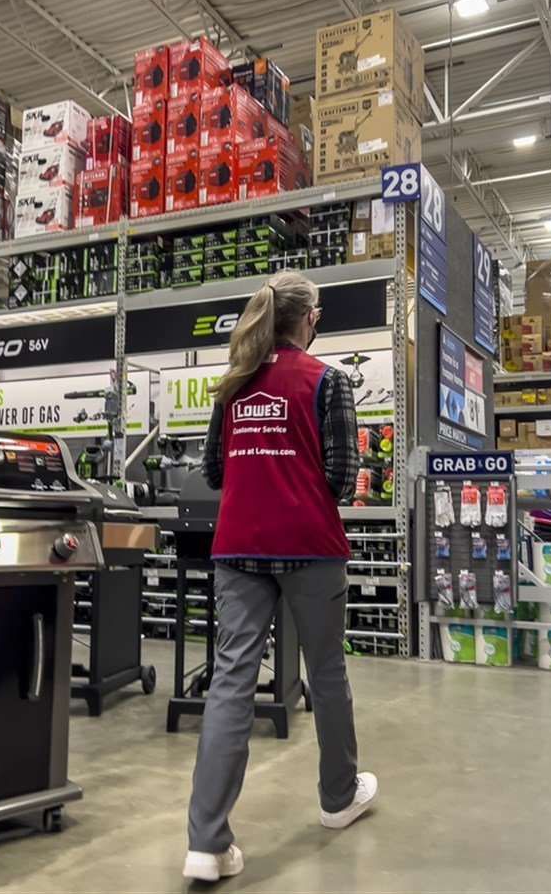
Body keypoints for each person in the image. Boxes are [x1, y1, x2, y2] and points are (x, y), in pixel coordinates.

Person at [183, 271, 375, 882]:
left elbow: (214, 473)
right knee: (326, 675)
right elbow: (343, 479)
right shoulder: (329, 382)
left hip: (237, 547)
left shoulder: (232, 386)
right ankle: (339, 798)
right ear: (309, 319)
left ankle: (206, 844)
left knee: (232, 682)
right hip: (312, 547)